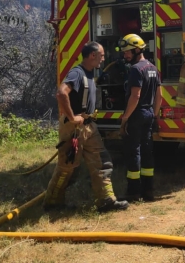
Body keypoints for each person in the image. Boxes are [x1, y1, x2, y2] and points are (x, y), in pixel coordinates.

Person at [43, 41, 129, 212]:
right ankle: (53, 202)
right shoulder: (77, 73)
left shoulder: (89, 74)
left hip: (89, 127)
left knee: (102, 162)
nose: (103, 59)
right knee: (67, 167)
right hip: (75, 128)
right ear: (92, 56)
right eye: (102, 56)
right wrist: (71, 117)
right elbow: (61, 93)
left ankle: (106, 201)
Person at [118, 33, 162, 202]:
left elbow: (135, 96)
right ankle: (148, 190)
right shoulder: (152, 68)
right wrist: (155, 115)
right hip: (149, 113)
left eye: (128, 51)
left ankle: (133, 192)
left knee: (133, 152)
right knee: (147, 151)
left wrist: (125, 118)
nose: (125, 55)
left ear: (137, 50)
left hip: (136, 115)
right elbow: (159, 96)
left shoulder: (136, 69)